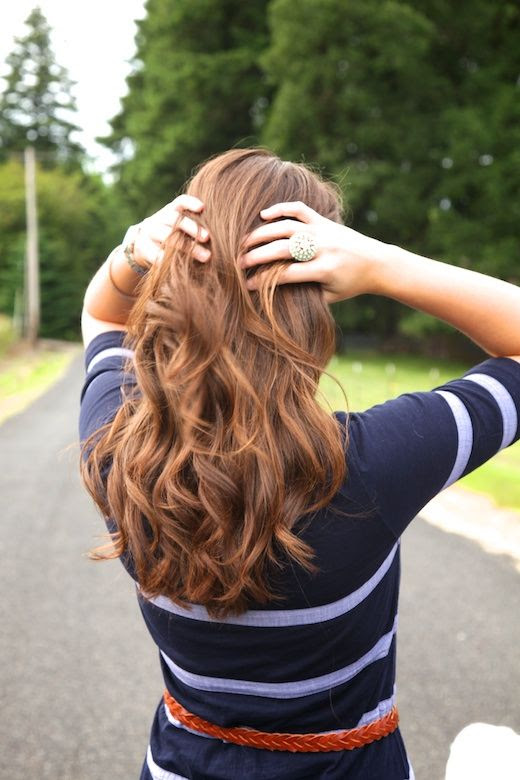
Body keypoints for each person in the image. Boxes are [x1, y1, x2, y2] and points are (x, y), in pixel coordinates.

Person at [78, 147, 520, 780]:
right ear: (316, 306)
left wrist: (130, 249)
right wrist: (382, 264)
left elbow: (102, 314)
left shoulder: (119, 450)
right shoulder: (370, 463)